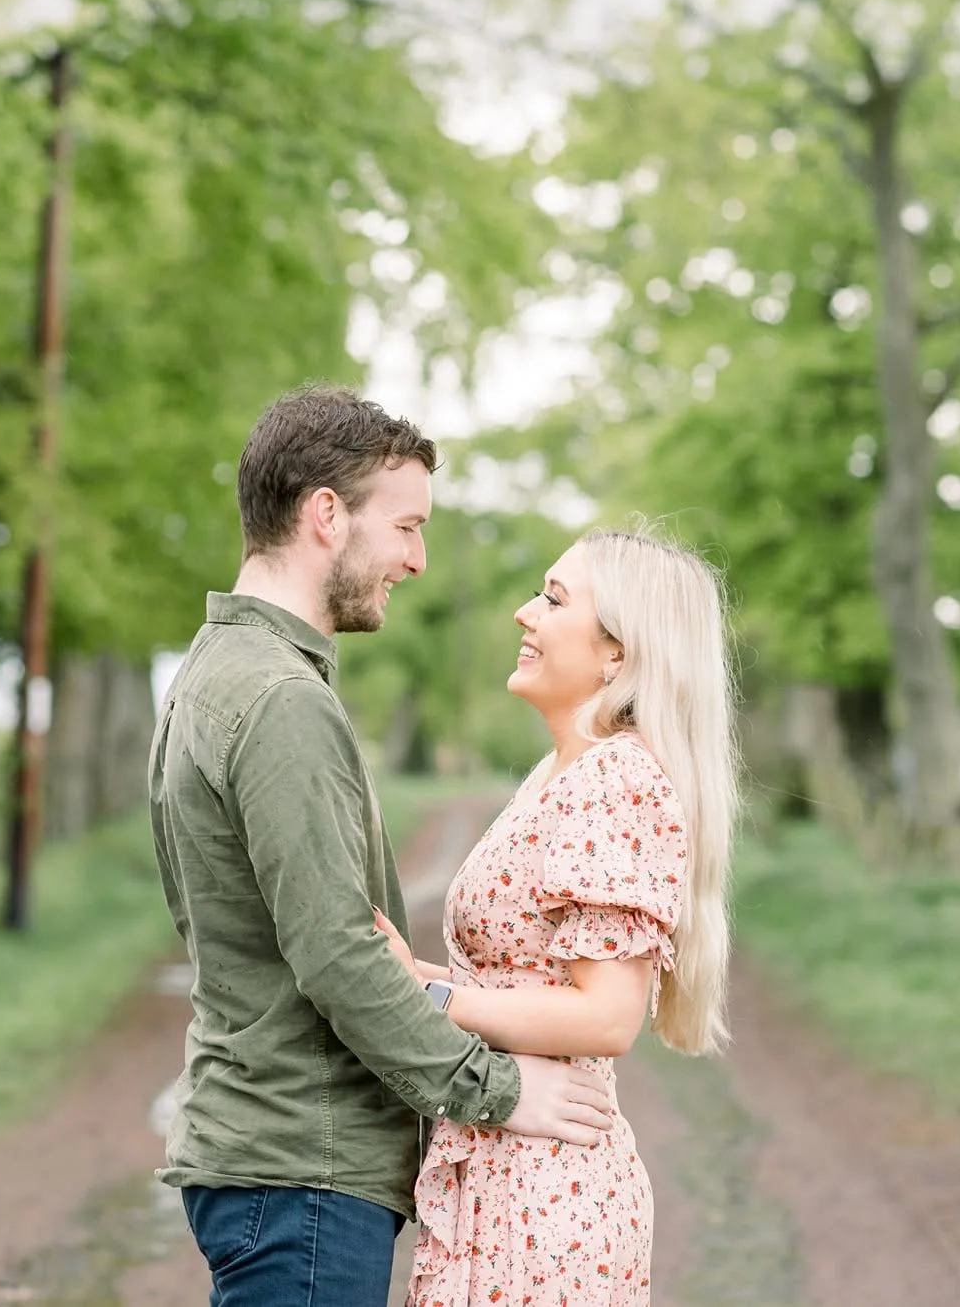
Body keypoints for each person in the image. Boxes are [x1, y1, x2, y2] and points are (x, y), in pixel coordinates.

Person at [148, 383, 619, 1307]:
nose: (417, 557)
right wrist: (498, 1089)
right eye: (405, 526)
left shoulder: (215, 673)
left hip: (271, 1162)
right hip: (302, 1171)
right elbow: (336, 952)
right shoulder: (281, 699)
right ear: (328, 514)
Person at [374, 527, 738, 1307]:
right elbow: (520, 975)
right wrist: (410, 972)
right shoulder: (560, 772)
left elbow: (607, 1015)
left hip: (547, 1194)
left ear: (618, 651)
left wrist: (430, 996)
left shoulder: (616, 778)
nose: (522, 612)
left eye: (553, 598)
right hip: (511, 1167)